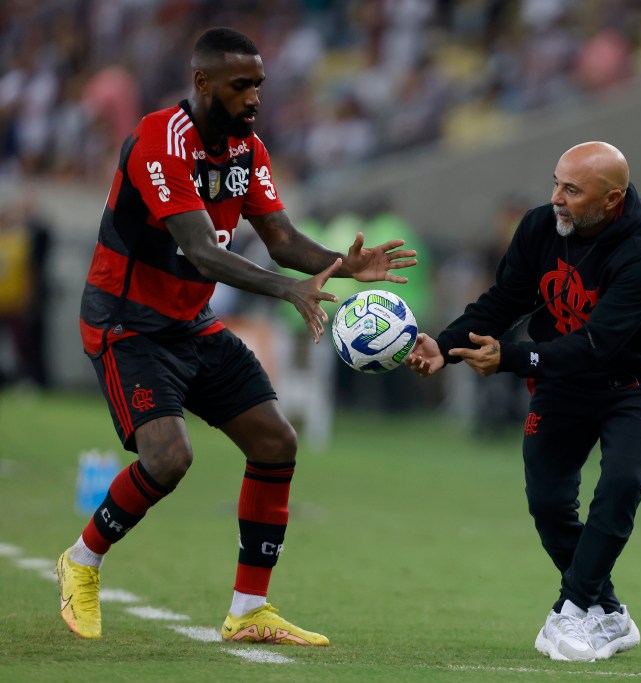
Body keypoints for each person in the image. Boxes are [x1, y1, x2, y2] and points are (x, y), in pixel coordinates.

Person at [56, 27, 416, 645]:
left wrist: (341, 264)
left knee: (275, 441)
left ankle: (248, 609)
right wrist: (286, 289)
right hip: (128, 324)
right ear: (202, 83)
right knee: (169, 459)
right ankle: (81, 562)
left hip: (189, 323)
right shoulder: (158, 141)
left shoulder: (248, 149)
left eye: (259, 85)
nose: (254, 98)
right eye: (240, 85)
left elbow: (280, 239)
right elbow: (199, 251)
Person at [407, 141, 641, 661]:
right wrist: (444, 346)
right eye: (555, 182)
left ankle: (571, 611)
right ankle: (611, 615)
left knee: (621, 482)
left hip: (637, 385)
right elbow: (505, 300)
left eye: (572, 190)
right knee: (549, 504)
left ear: (612, 200)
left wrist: (511, 359)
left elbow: (597, 347)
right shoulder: (540, 227)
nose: (556, 198)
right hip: (562, 385)